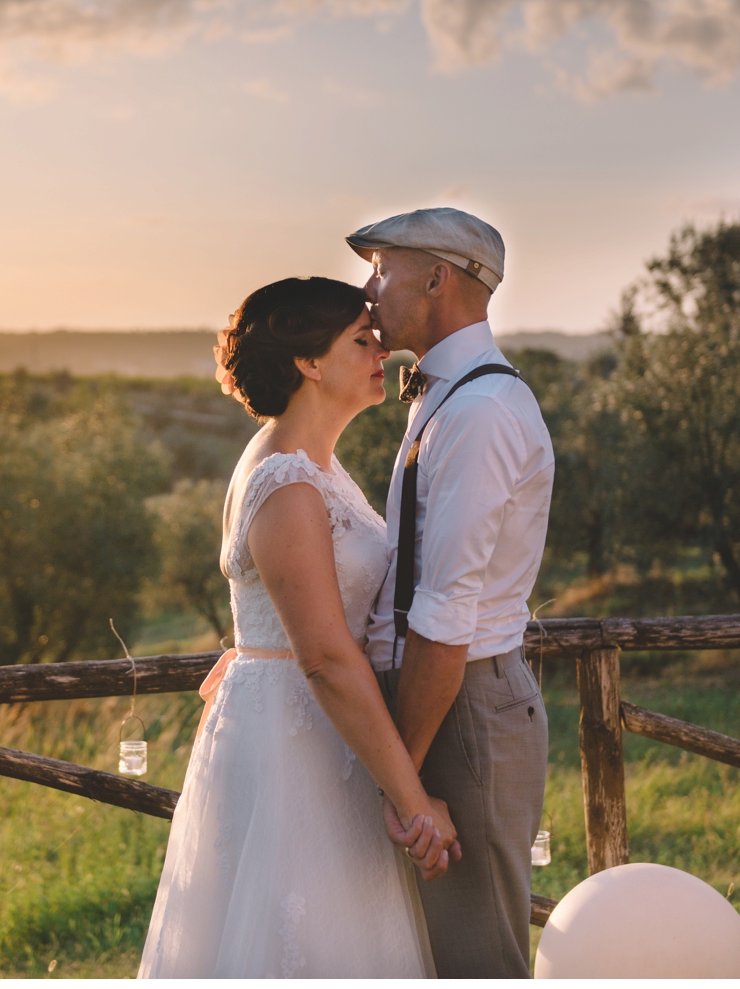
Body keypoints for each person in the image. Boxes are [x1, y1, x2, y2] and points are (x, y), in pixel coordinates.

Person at [138, 276, 459, 978]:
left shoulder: (316, 465)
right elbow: (321, 655)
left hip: (319, 726)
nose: (383, 351)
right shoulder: (285, 479)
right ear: (309, 362)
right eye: (360, 339)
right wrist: (412, 802)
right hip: (298, 740)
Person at [351, 208, 554, 978]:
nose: (368, 289)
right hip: (439, 700)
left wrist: (404, 780)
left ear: (436, 277)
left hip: (460, 706)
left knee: (474, 955)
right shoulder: (446, 395)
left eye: (382, 268)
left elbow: (442, 619)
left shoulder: (477, 411)